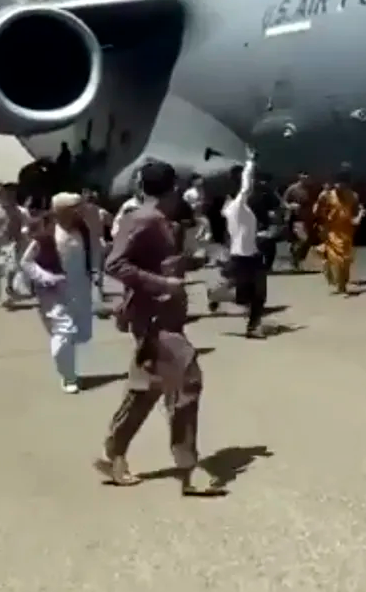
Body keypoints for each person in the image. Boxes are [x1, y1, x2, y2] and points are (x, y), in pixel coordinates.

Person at [95, 160, 224, 496]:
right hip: (153, 318)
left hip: (162, 315)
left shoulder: (161, 221)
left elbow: (152, 261)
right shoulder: (144, 218)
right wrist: (161, 282)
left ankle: (113, 453)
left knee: (146, 388)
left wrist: (191, 264)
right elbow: (115, 263)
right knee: (188, 380)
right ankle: (188, 469)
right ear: (174, 187)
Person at [20, 193, 94, 394]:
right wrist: (46, 278)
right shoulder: (47, 234)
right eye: (74, 208)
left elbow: (91, 255)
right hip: (53, 293)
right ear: (61, 211)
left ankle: (69, 370)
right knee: (64, 332)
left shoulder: (82, 230)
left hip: (79, 290)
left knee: (77, 333)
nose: (80, 211)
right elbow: (26, 262)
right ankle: (68, 377)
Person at [221, 151, 268, 338]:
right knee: (246, 297)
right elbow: (246, 184)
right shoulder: (237, 206)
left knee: (258, 295)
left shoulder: (236, 208)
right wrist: (250, 162)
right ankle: (217, 294)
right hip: (241, 257)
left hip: (252, 255)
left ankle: (253, 327)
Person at [313, 166, 363, 295]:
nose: (339, 185)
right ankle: (333, 274)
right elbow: (317, 211)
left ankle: (342, 283)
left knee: (346, 260)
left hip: (347, 232)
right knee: (337, 259)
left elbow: (358, 211)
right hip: (332, 231)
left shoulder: (353, 196)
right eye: (338, 182)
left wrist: (358, 218)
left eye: (343, 183)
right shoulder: (328, 195)